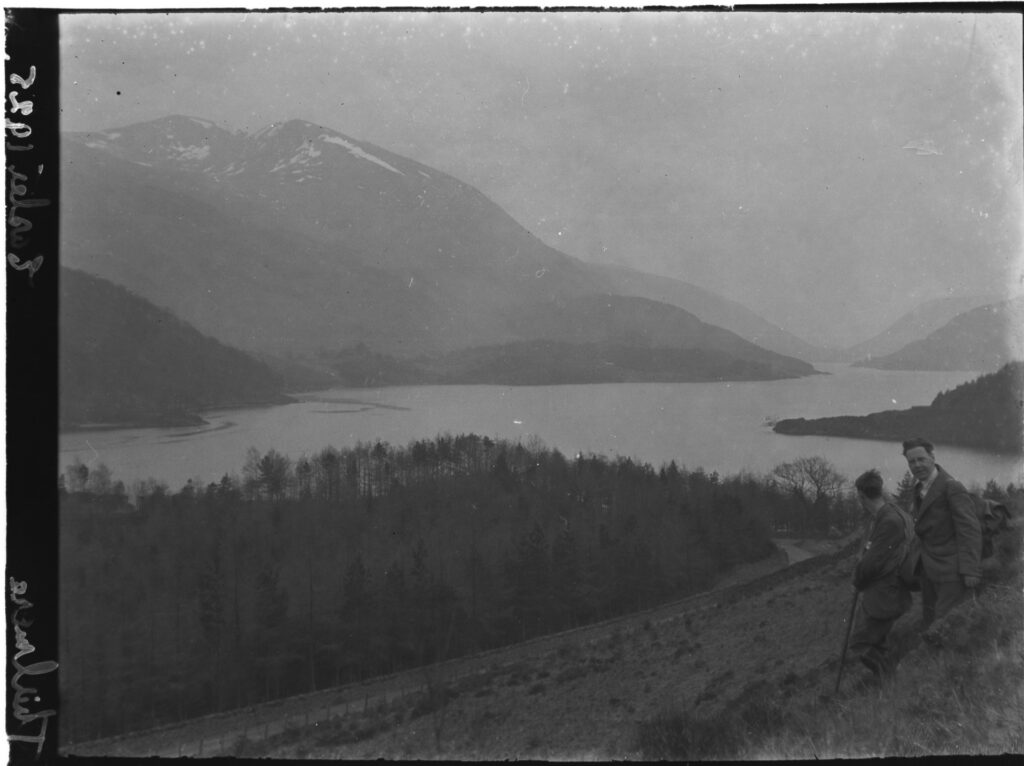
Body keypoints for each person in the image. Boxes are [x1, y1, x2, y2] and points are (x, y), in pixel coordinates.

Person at [902, 437, 982, 627]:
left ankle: (947, 657)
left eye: (921, 459)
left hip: (951, 571)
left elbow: (969, 529)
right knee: (930, 620)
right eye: (911, 461)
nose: (917, 465)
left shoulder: (951, 487)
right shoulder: (919, 488)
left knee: (945, 624)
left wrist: (970, 570)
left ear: (932, 457)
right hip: (928, 569)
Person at [849, 469, 913, 677]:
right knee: (878, 642)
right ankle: (888, 684)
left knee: (860, 643)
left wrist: (857, 580)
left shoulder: (888, 521)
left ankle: (890, 682)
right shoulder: (892, 512)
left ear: (861, 496)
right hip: (888, 591)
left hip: (885, 594)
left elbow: (871, 562)